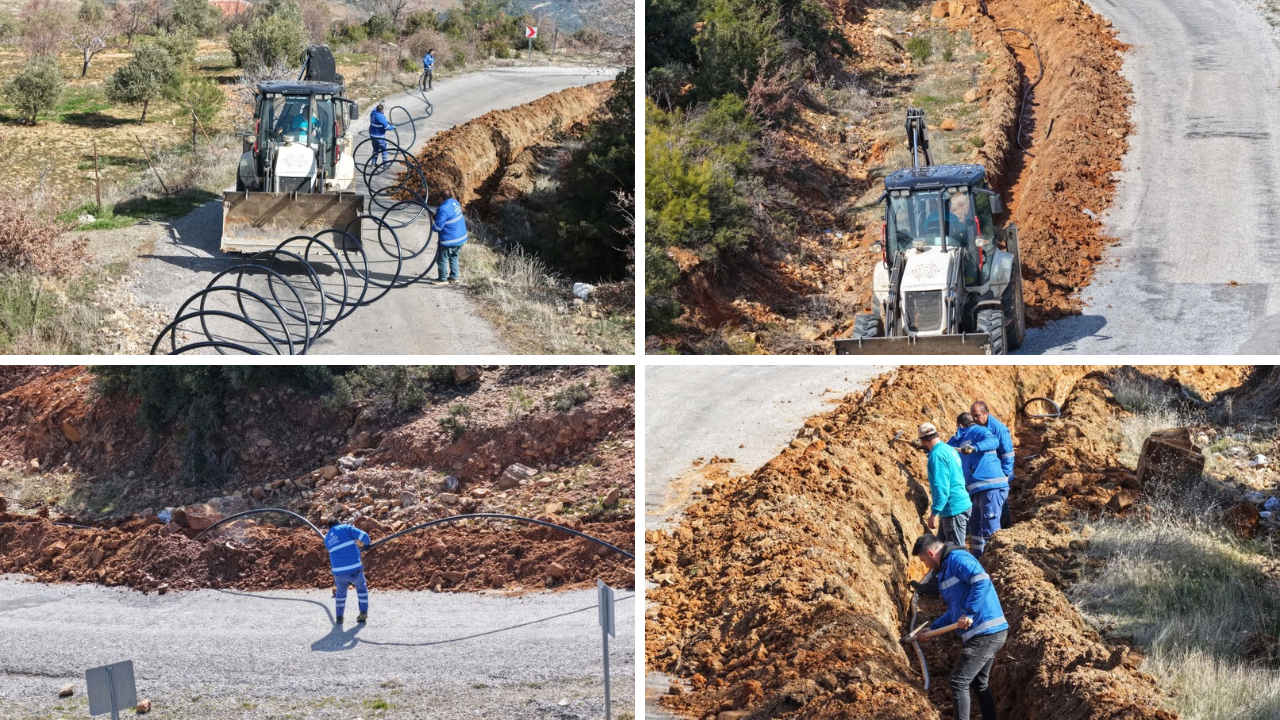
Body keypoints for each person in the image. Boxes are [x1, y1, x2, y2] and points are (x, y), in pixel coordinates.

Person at [905, 534, 1008, 720]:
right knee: (979, 683)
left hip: (986, 632)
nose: (926, 566)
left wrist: (969, 613)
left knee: (958, 681)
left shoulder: (957, 559)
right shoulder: (945, 569)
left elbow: (982, 580)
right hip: (984, 632)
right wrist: (932, 628)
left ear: (931, 552)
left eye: (924, 560)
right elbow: (954, 611)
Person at [948, 413, 1008, 559]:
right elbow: (943, 449)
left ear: (960, 425)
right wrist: (927, 446)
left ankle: (994, 559)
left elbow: (994, 441)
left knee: (990, 527)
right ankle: (978, 557)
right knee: (974, 525)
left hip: (990, 486)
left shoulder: (979, 431)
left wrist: (975, 448)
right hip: (975, 489)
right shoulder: (958, 438)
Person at [920, 422, 971, 548]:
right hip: (959, 503)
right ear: (937, 434)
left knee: (956, 551)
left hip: (953, 508)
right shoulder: (948, 449)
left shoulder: (936, 456)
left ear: (922, 441)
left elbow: (941, 487)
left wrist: (934, 513)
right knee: (940, 548)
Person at [972, 400, 1015, 528]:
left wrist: (1005, 475)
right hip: (985, 473)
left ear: (986, 414)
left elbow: (1007, 453)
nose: (974, 419)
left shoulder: (998, 429)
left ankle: (1006, 529)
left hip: (999, 473)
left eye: (977, 416)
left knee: (1001, 503)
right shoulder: (977, 427)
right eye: (972, 415)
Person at [324, 517, 373, 624]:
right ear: (339, 523)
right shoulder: (345, 528)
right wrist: (367, 544)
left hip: (339, 572)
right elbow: (363, 536)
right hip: (354, 568)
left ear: (329, 527)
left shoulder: (327, 538)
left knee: (340, 594)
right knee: (361, 589)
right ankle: (363, 612)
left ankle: (339, 617)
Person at [432, 188, 468, 283]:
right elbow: (450, 216)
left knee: (441, 259)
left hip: (450, 240)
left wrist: (434, 222)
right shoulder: (455, 202)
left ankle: (443, 279)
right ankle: (454, 277)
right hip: (461, 237)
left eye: (439, 198)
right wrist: (438, 217)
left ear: (442, 198)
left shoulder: (442, 209)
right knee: (454, 256)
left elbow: (438, 228)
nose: (439, 200)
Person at [368, 102, 394, 167]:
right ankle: (385, 165)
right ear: (382, 110)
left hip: (372, 135)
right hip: (379, 137)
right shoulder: (380, 117)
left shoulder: (372, 114)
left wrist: (380, 104)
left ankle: (373, 163)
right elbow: (387, 127)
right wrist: (393, 127)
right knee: (384, 150)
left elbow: (374, 109)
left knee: (375, 149)